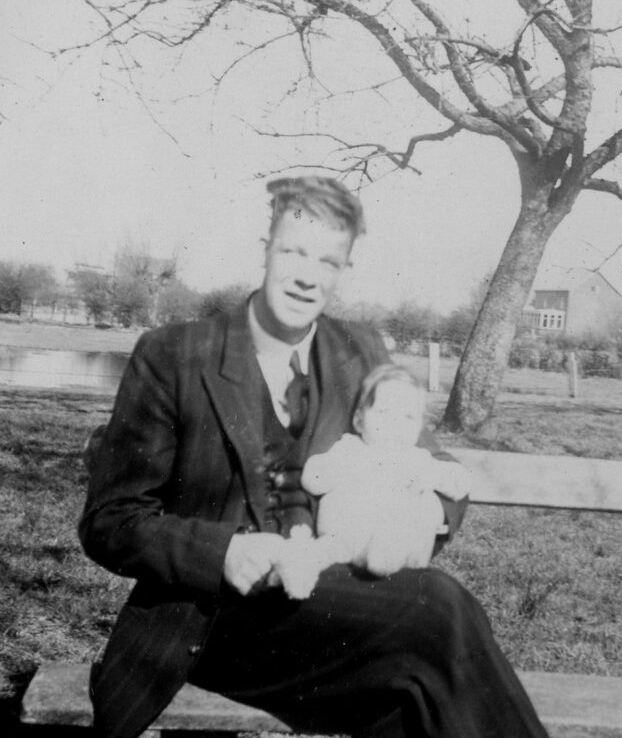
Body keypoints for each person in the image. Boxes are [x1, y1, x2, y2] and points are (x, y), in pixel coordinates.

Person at [79, 174, 549, 738]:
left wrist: (419, 511)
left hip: (339, 606)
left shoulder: (358, 350)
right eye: (294, 252)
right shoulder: (176, 355)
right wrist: (222, 551)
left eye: (327, 262)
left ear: (344, 270)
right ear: (266, 250)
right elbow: (112, 521)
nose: (306, 277)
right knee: (438, 617)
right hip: (213, 623)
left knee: (416, 696)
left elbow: (431, 467)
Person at [300, 362, 470, 579]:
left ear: (420, 427)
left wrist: (435, 477)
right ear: (359, 420)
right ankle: (310, 562)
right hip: (343, 546)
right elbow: (313, 477)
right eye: (384, 411)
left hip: (400, 556)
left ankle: (393, 556)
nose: (395, 424)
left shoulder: (415, 458)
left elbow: (460, 481)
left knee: (417, 514)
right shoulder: (350, 449)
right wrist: (341, 470)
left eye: (408, 417)